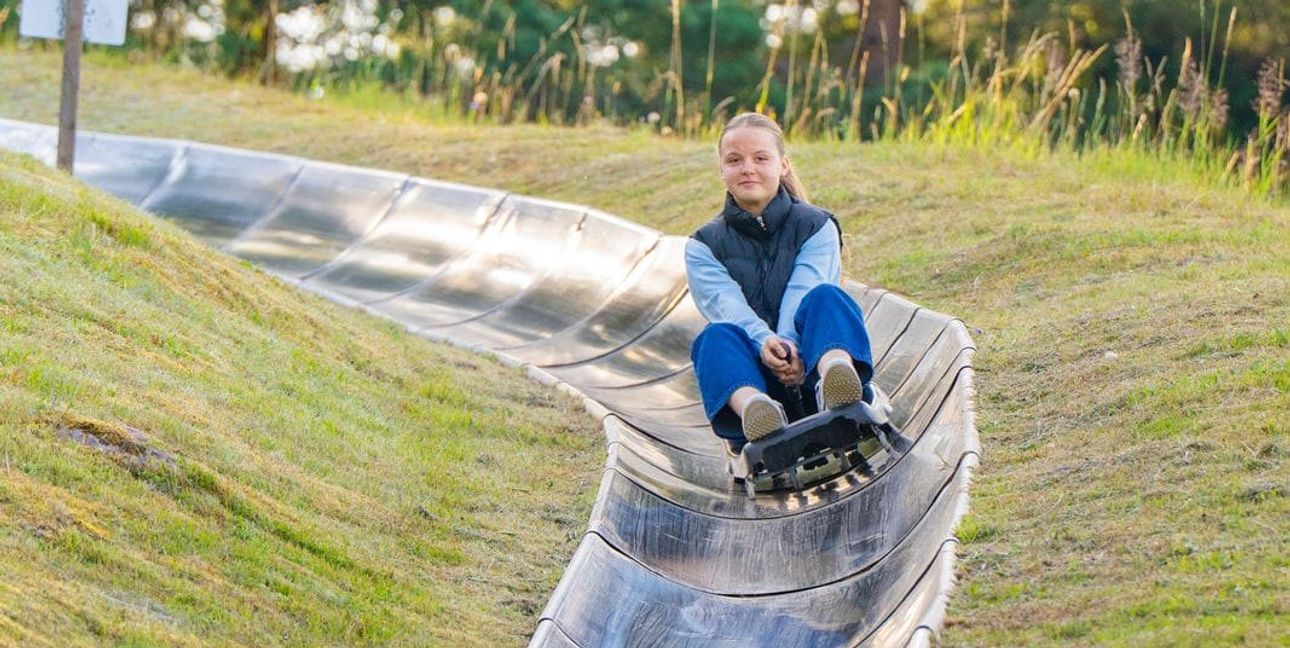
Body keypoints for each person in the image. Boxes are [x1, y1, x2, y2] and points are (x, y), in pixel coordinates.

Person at [686, 112, 876, 448]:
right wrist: (765, 344)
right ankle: (755, 409)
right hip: (756, 376)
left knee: (827, 297)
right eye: (734, 160)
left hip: (812, 361)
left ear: (783, 165)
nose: (747, 168)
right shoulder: (704, 245)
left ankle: (835, 379)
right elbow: (727, 306)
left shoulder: (816, 225)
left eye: (760, 158)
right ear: (721, 170)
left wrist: (789, 345)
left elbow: (805, 287)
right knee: (714, 337)